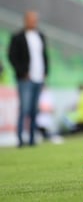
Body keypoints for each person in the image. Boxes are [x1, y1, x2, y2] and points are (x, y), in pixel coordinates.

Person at [8, 10, 49, 147]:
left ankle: (32, 138)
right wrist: (22, 72)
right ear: (26, 20)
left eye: (35, 19)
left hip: (38, 78)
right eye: (31, 19)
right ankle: (20, 139)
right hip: (25, 79)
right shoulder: (18, 37)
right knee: (24, 109)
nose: (34, 22)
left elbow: (44, 56)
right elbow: (12, 56)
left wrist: (45, 72)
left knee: (34, 110)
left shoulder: (40, 36)